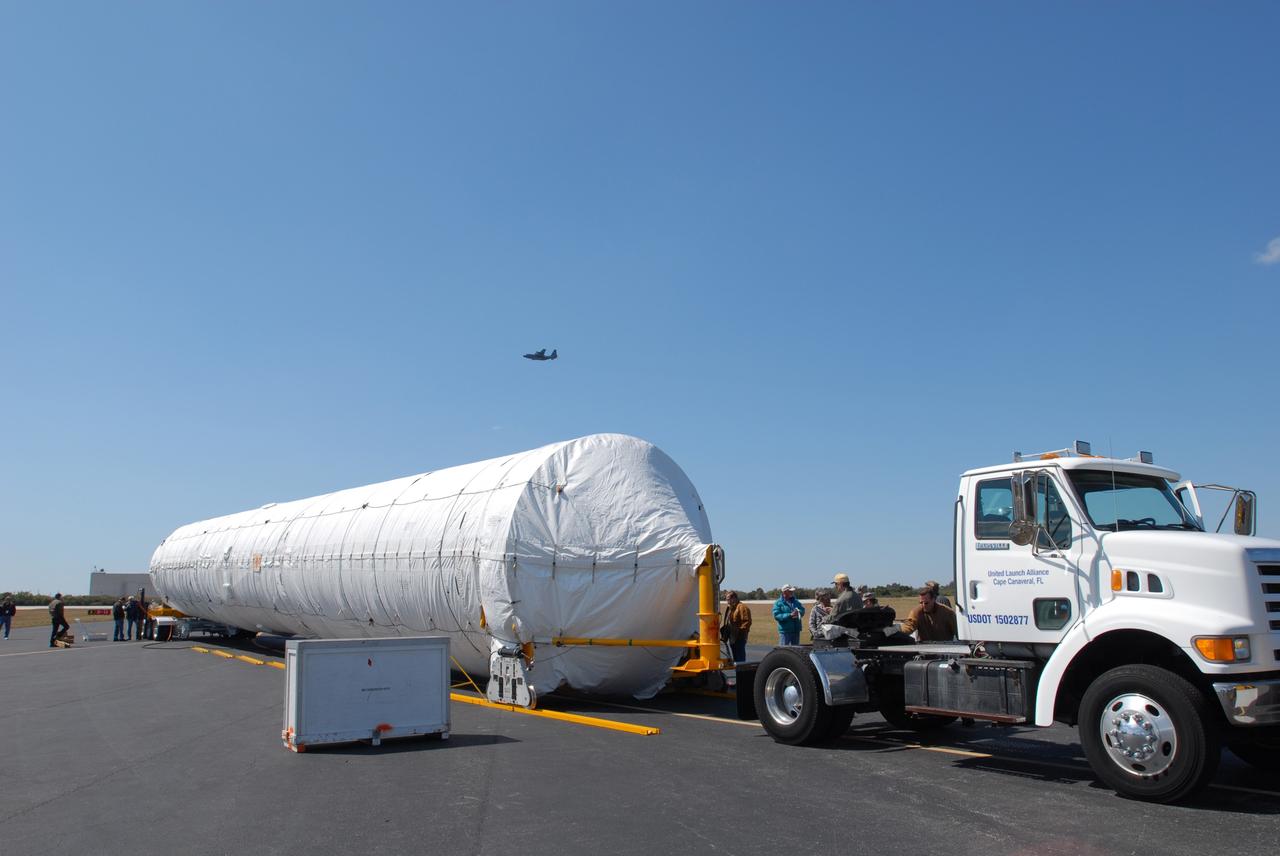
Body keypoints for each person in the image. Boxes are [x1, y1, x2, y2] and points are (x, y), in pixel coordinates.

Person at [721, 590, 752, 663]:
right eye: (726, 600)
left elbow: (747, 622)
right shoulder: (731, 608)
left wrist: (740, 633)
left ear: (734, 598)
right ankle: (738, 673)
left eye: (728, 599)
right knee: (736, 659)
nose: (727, 601)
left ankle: (742, 674)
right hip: (733, 637)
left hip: (739, 637)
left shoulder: (742, 607)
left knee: (740, 659)